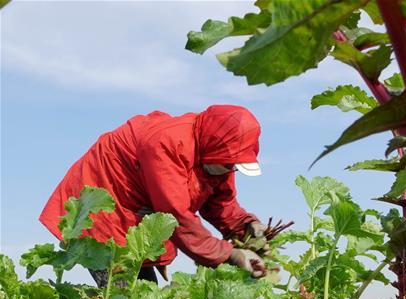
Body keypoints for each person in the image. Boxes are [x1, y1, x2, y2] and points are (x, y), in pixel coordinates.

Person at [39, 105, 269, 284]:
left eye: (235, 166)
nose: (232, 170)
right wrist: (229, 254)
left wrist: (247, 225)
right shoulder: (167, 143)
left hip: (136, 216)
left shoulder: (221, 154)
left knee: (140, 297)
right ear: (215, 149)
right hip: (104, 212)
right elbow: (176, 216)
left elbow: (220, 203)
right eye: (230, 165)